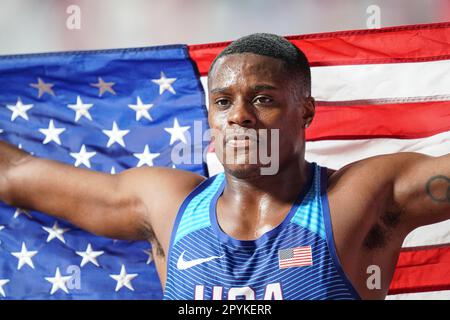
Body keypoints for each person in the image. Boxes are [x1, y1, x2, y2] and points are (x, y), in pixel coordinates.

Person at [0, 33, 448, 300]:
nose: (239, 115)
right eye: (222, 101)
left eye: (263, 99)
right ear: (211, 117)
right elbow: (12, 174)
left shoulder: (361, 197)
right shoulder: (165, 204)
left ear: (307, 109)